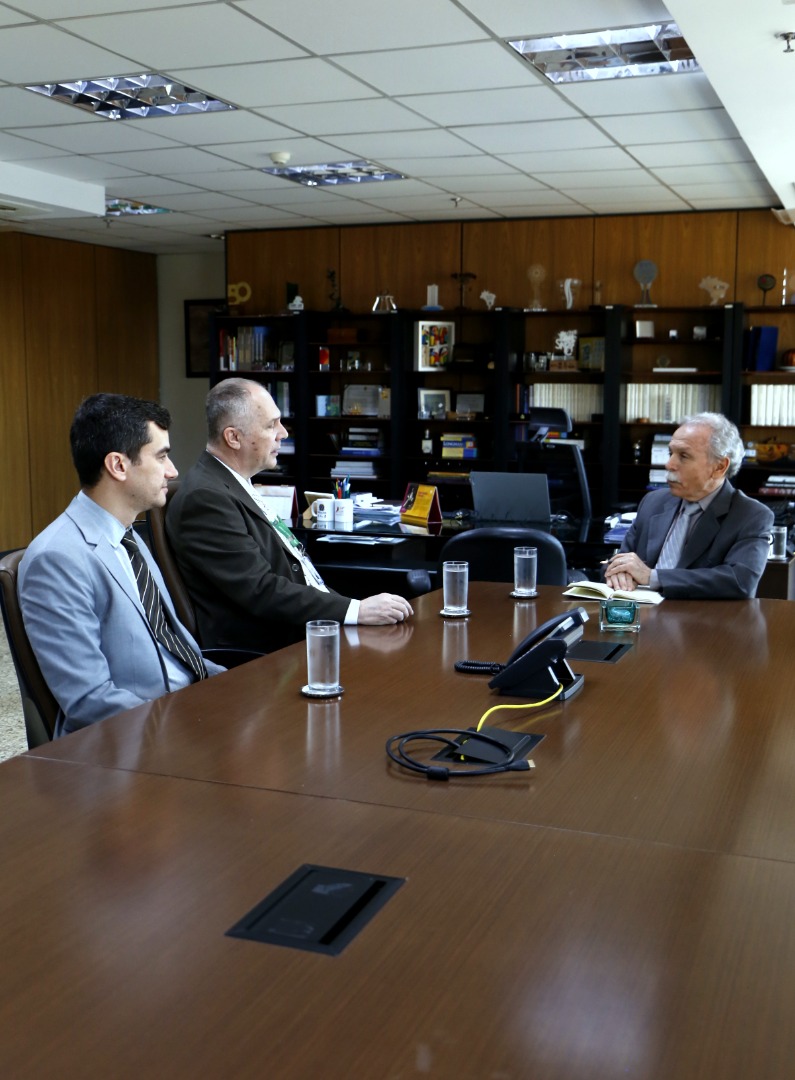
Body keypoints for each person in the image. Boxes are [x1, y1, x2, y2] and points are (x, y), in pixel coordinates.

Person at [18, 394, 225, 737]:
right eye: (161, 456)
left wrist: (232, 689)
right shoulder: (56, 559)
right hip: (135, 741)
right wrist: (188, 723)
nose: (172, 471)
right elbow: (90, 701)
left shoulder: (128, 537)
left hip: (188, 713)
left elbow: (177, 650)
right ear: (118, 465)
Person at [166, 379, 413, 653]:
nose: (283, 433)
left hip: (301, 629)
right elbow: (260, 589)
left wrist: (352, 610)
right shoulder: (205, 497)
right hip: (268, 651)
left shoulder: (235, 482)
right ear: (233, 438)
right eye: (271, 425)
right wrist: (356, 610)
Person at [604, 412, 773, 599]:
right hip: (640, 611)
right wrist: (619, 572)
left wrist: (653, 577)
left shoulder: (751, 515)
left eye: (683, 456)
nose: (669, 464)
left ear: (719, 467)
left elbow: (740, 581)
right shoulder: (653, 502)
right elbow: (621, 562)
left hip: (701, 615)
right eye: (670, 453)